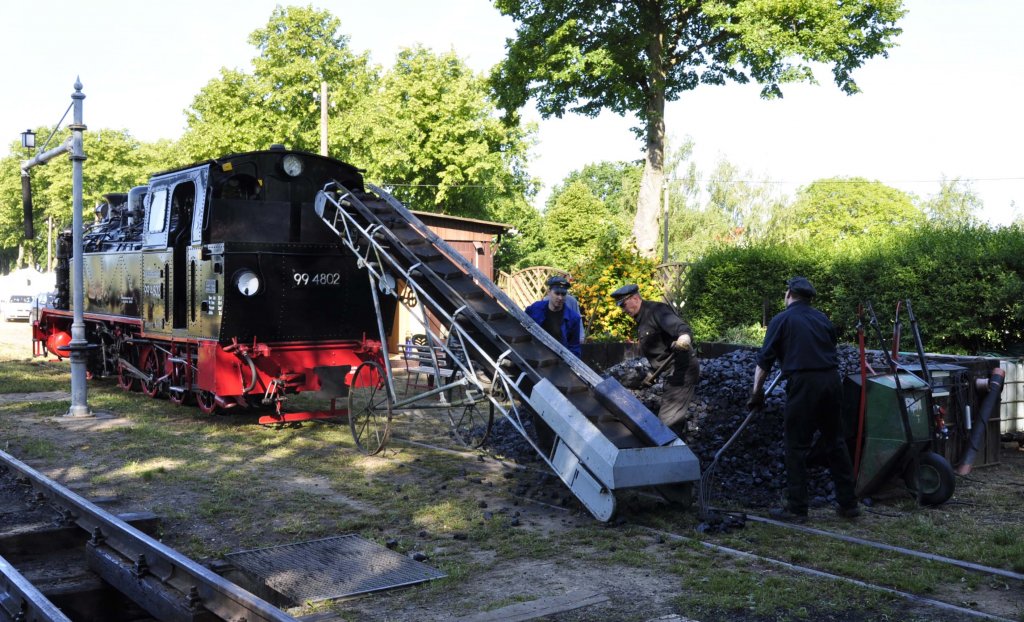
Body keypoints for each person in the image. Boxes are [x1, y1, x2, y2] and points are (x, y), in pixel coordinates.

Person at [748, 276, 860, 523]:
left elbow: (763, 361)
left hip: (804, 385)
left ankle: (797, 508)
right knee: (835, 442)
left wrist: (756, 394)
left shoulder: (781, 319)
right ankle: (849, 504)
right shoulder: (822, 319)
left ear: (789, 294)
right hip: (832, 381)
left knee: (796, 446)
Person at [611, 283, 700, 434]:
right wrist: (652, 375)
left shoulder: (656, 310)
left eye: (624, 305)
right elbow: (659, 351)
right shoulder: (641, 320)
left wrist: (684, 339)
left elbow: (681, 328)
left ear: (634, 298)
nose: (623, 310)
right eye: (621, 307)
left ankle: (669, 452)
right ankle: (681, 448)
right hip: (669, 373)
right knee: (673, 418)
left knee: (667, 423)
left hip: (682, 370)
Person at [526, 275, 582, 357]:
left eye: (563, 294)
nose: (560, 297)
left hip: (557, 361)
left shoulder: (573, 318)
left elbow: (574, 347)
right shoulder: (535, 308)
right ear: (549, 292)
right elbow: (521, 324)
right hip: (533, 354)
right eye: (557, 293)